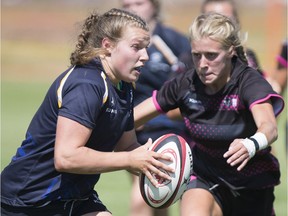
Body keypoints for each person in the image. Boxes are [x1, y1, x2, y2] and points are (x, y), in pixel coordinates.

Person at [0, 8, 174, 216]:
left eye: (146, 48)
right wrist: (130, 160)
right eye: (136, 47)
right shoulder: (87, 84)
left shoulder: (123, 86)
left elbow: (126, 145)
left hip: (75, 198)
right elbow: (66, 157)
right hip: (28, 202)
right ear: (107, 45)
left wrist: (156, 162)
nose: (145, 56)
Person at [134, 13, 285, 216]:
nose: (203, 64)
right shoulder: (186, 84)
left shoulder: (248, 82)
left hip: (252, 184)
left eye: (211, 55)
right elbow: (132, 118)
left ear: (230, 51)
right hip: (205, 176)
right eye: (197, 55)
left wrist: (250, 144)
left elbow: (269, 127)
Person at [120, 1, 193, 216]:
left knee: (148, 195)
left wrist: (146, 120)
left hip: (167, 130)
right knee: (156, 197)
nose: (132, 8)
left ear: (154, 5)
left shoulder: (175, 42)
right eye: (126, 3)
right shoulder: (118, 45)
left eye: (139, 2)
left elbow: (187, 94)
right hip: (129, 131)